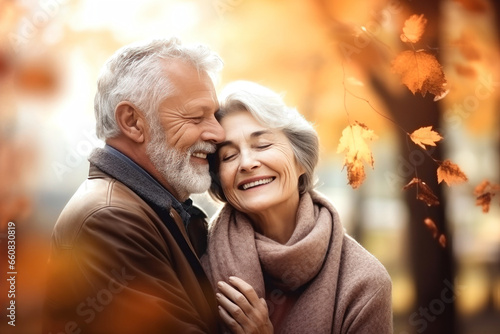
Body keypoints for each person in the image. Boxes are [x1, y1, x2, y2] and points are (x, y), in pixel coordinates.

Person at [43, 38, 225, 334]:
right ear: (133, 122)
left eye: (215, 116)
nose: (218, 132)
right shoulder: (109, 220)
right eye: (196, 116)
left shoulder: (155, 208)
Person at [201, 81, 393, 333]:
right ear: (220, 181)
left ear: (300, 160)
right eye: (228, 156)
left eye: (263, 145)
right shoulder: (195, 259)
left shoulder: (365, 283)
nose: (247, 163)